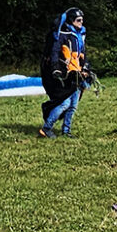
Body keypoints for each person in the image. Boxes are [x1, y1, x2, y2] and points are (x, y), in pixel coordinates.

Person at [40, 8, 89, 137]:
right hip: (66, 74)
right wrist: (55, 68)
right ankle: (46, 128)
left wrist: (85, 68)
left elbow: (82, 55)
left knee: (73, 105)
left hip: (77, 73)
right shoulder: (62, 34)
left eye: (82, 20)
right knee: (64, 103)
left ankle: (66, 131)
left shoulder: (80, 35)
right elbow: (55, 52)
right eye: (78, 20)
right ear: (71, 21)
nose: (81, 22)